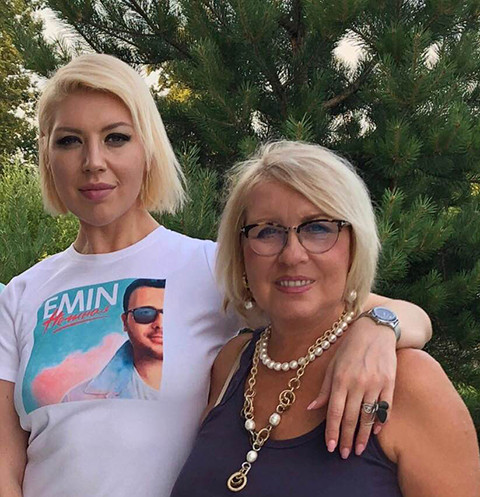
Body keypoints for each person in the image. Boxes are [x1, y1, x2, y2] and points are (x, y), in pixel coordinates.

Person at [0, 54, 431, 497]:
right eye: (69, 141)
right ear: (46, 154)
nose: (93, 161)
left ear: (148, 149)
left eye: (116, 138)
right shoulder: (19, 296)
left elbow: (391, 312)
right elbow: (5, 463)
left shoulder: (210, 267)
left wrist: (380, 330)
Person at [171, 141, 480, 496]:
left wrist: (380, 324)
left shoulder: (409, 381)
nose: (292, 255)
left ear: (355, 243)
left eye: (318, 228)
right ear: (241, 253)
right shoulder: (231, 364)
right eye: (267, 231)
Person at [63, 278, 165, 401]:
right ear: (125, 322)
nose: (160, 324)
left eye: (170, 314)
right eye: (145, 313)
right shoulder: (77, 399)